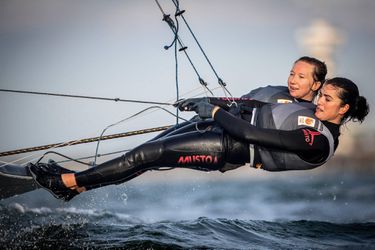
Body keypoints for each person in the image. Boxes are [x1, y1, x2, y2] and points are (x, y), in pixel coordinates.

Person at [29, 77, 369, 201]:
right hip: (224, 129)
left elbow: (252, 134)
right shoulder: (312, 113)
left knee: (149, 155)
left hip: (228, 148)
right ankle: (78, 186)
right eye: (321, 94)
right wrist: (220, 107)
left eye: (327, 99)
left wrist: (214, 112)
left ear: (344, 109)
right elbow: (265, 104)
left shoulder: (319, 141)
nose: (319, 101)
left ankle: (66, 182)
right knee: (146, 153)